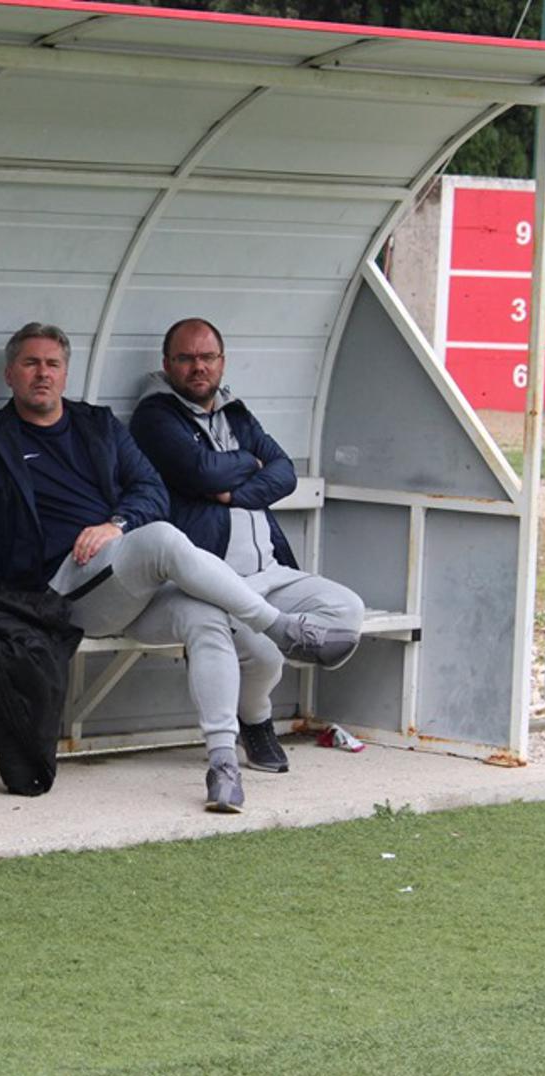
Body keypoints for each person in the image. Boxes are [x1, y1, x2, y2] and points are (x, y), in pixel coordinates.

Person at [0, 323, 355, 813]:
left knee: (203, 614)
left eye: (53, 364)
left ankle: (222, 764)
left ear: (66, 373)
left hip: (124, 585)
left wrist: (116, 523)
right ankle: (279, 627)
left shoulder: (98, 426)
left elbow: (150, 490)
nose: (43, 373)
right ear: (10, 374)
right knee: (163, 539)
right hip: (57, 596)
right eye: (31, 364)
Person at [128, 317, 365, 776]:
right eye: (186, 358)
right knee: (265, 654)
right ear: (167, 364)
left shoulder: (235, 411)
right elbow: (201, 472)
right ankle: (256, 719)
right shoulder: (154, 416)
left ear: (222, 361)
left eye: (207, 357)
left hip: (269, 570)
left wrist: (233, 494)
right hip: (213, 580)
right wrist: (248, 464)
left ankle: (276, 647)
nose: (198, 367)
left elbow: (283, 472)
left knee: (347, 611)